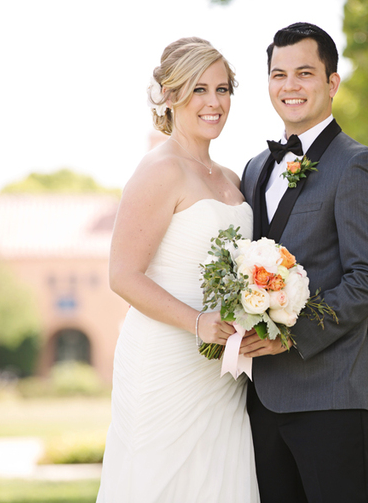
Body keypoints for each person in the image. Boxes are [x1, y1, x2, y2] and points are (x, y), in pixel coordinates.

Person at [97, 37, 259, 503]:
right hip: (166, 358)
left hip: (221, 370)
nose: (214, 102)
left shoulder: (230, 178)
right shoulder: (158, 170)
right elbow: (123, 275)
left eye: (223, 89)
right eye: (198, 89)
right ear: (169, 97)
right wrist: (196, 321)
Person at [239, 22, 368, 503]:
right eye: (278, 74)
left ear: (332, 83)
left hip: (331, 397)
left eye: (304, 73)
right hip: (258, 401)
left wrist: (288, 334)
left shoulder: (359, 165)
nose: (290, 86)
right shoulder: (253, 169)